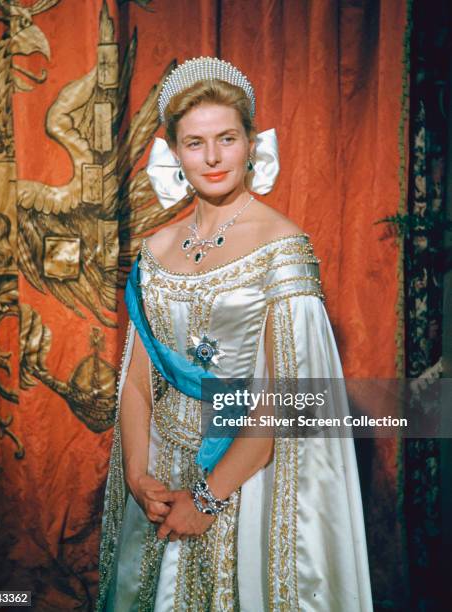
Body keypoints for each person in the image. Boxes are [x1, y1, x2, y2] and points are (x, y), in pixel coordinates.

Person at [97, 57, 373, 611]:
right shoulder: (154, 251)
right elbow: (137, 381)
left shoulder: (282, 247)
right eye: (195, 143)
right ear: (174, 152)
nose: (214, 157)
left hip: (249, 479)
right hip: (162, 472)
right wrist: (136, 474)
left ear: (251, 143)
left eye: (227, 138)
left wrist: (204, 499)